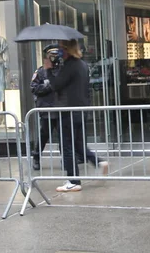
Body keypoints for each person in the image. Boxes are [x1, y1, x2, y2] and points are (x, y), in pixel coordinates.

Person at [43, 39, 108, 192]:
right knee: (78, 144)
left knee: (67, 146)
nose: (58, 50)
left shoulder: (70, 66)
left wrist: (48, 70)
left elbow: (56, 85)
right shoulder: (83, 65)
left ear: (66, 49)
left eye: (60, 48)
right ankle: (98, 162)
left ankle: (73, 180)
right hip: (81, 110)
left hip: (68, 111)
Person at [30, 44, 59, 170]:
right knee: (44, 135)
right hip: (46, 108)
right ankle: (36, 157)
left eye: (56, 55)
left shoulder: (62, 71)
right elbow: (34, 88)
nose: (54, 58)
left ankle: (67, 159)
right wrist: (48, 86)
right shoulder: (41, 71)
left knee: (63, 136)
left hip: (59, 108)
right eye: (51, 55)